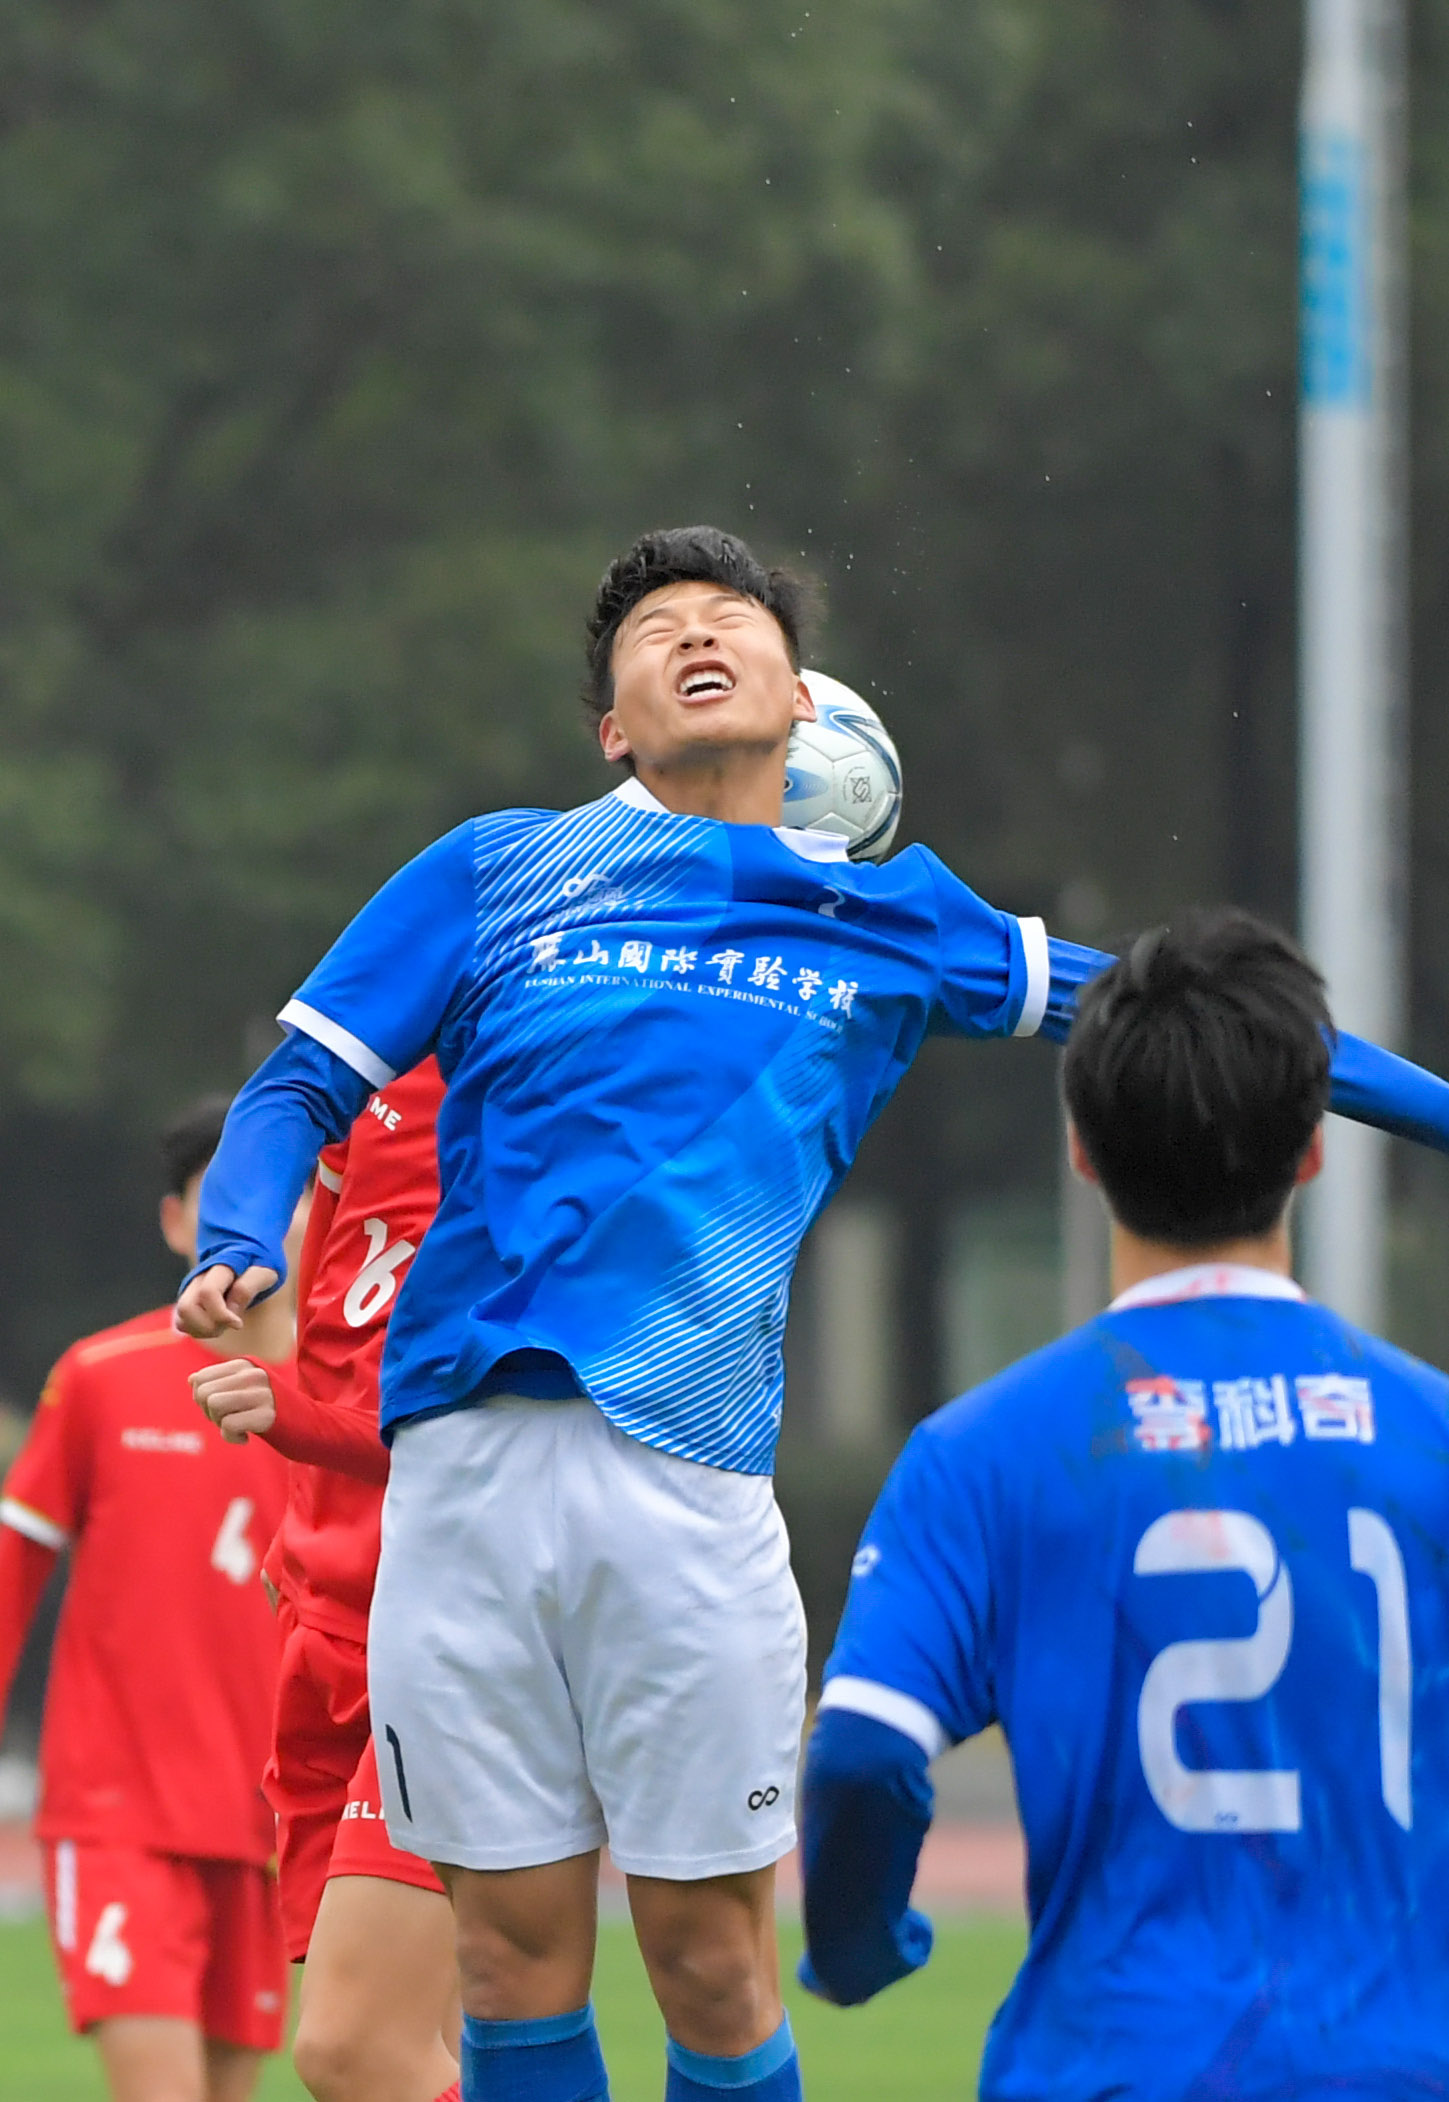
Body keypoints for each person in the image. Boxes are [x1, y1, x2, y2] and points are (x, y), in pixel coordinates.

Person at [174, 527, 1449, 2102]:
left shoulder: (888, 916)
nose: (696, 637)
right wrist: (239, 1229)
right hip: (464, 1482)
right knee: (510, 1963)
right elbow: (302, 1078)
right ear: (611, 727)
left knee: (710, 1961)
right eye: (656, 630)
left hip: (682, 1476)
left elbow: (1192, 1015)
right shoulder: (497, 866)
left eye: (733, 621)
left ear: (803, 699)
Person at [799, 908, 1449, 2099]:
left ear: (1083, 1148)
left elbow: (862, 1751)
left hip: (1108, 2064)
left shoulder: (983, 1452)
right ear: (1311, 1147)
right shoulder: (1433, 1432)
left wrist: (857, 1944)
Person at [0, 1097, 306, 2102]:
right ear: (178, 1221)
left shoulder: (356, 1407)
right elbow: (12, 1576)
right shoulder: (102, 1378)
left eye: (291, 1188)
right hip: (117, 1811)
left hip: (268, 1824)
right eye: (226, 1196)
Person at [190, 1057, 461, 2102]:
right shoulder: (374, 1077)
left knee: (352, 2051)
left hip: (450, 1642)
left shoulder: (535, 1105)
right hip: (332, 1627)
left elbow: (496, 1438)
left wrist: (295, 1420)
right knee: (435, 2040)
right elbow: (337, 1345)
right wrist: (302, 1543)